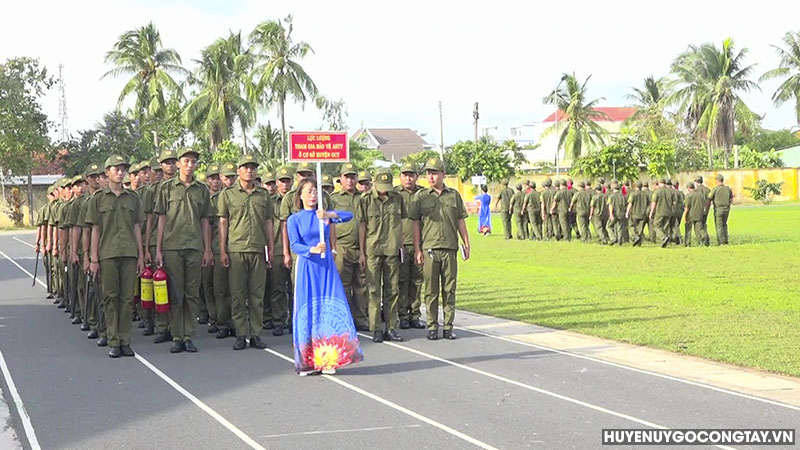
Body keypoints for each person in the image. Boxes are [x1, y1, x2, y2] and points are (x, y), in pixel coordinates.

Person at [288, 178, 364, 375]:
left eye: (316, 191)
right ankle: (306, 361)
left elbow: (349, 216)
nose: (313, 195)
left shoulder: (324, 216)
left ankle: (328, 359)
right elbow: (295, 244)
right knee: (308, 309)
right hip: (307, 266)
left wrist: (329, 214)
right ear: (301, 195)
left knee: (327, 308)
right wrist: (312, 249)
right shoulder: (294, 219)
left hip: (326, 267)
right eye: (309, 191)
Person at [155, 147, 213, 354]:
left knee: (192, 293)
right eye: (186, 161)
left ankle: (188, 335)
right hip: (172, 246)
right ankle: (176, 335)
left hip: (195, 246)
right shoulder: (167, 188)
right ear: (178, 163)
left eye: (193, 162)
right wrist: (158, 249)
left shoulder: (202, 190)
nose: (190, 165)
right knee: (175, 292)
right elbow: (161, 219)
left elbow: (206, 221)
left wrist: (207, 250)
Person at [86, 155, 145, 358]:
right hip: (107, 254)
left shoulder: (133, 198)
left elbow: (137, 227)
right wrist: (93, 258)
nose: (120, 173)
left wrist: (141, 255)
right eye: (116, 169)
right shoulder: (98, 199)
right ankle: (113, 340)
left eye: (123, 169)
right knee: (110, 298)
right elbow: (95, 229)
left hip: (129, 253)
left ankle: (125, 340)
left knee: (127, 299)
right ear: (107, 172)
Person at [410, 157, 470, 341]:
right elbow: (415, 224)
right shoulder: (420, 196)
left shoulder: (453, 195)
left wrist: (466, 243)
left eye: (434, 172)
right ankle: (432, 326)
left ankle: (449, 326)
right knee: (431, 290)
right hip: (429, 248)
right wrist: (417, 249)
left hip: (449, 248)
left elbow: (460, 220)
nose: (431, 176)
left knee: (449, 289)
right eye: (428, 173)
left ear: (443, 174)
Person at [218, 154, 274, 351]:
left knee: (257, 294)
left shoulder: (263, 195)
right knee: (238, 294)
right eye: (246, 167)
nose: (250, 170)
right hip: (236, 249)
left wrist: (271, 248)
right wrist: (222, 249)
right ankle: (241, 334)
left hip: (258, 249)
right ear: (238, 171)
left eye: (253, 167)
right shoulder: (227, 195)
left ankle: (256, 334)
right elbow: (223, 222)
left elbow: (269, 222)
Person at [358, 169, 406, 343]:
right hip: (373, 250)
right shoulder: (365, 200)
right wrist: (362, 252)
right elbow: (362, 226)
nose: (383, 190)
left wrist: (401, 247)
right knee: (373, 290)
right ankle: (376, 328)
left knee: (392, 290)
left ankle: (392, 327)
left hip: (392, 250)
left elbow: (400, 225)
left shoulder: (397, 199)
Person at [330, 163, 369, 331]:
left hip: (360, 247)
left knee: (361, 285)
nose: (350, 180)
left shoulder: (364, 198)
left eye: (353, 177)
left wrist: (363, 251)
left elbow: (364, 223)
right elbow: (328, 223)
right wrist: (334, 247)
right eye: (347, 177)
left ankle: (361, 319)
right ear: (341, 179)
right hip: (342, 246)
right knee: (343, 285)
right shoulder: (333, 198)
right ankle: (344, 319)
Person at [144, 149, 177, 344]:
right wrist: (148, 246)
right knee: (160, 286)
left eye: (173, 162)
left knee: (176, 287)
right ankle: (161, 326)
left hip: (177, 241)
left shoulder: (180, 187)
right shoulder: (152, 191)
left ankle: (176, 328)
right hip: (158, 241)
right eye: (166, 163)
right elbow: (148, 220)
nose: (170, 166)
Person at [395, 162, 425, 330]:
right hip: (401, 243)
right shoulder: (394, 194)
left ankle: (415, 314)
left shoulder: (423, 193)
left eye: (411, 175)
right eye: (405, 175)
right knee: (402, 281)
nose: (408, 178)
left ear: (416, 177)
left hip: (419, 244)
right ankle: (402, 315)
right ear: (400, 177)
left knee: (417, 281)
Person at [201, 164, 223, 335]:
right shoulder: (202, 197)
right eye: (212, 178)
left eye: (218, 178)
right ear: (207, 180)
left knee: (220, 286)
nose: (216, 181)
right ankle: (211, 315)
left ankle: (220, 318)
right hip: (202, 245)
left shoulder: (225, 197)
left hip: (219, 246)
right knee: (207, 284)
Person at [708, 174, 733, 245]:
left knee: (719, 226)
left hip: (718, 209)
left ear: (716, 180)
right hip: (727, 209)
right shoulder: (728, 189)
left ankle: (721, 241)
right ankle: (726, 240)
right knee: (724, 224)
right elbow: (731, 199)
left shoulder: (715, 189)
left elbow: (709, 198)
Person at [649, 179, 674, 248]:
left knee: (656, 225)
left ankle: (663, 237)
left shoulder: (657, 192)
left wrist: (651, 212)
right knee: (665, 227)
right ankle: (665, 241)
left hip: (659, 212)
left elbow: (654, 202)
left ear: (660, 183)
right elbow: (674, 203)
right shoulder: (671, 192)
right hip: (668, 212)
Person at [683, 182, 709, 247]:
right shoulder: (700, 195)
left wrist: (684, 216)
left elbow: (686, 207)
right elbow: (704, 204)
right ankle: (703, 237)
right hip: (699, 214)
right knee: (699, 229)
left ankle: (687, 243)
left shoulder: (688, 195)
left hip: (690, 215)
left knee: (688, 230)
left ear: (689, 188)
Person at [626, 181, 649, 246]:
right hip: (643, 214)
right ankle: (639, 242)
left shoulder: (633, 194)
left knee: (631, 227)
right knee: (640, 229)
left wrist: (627, 212)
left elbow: (630, 203)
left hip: (634, 214)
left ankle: (635, 237)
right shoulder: (645, 194)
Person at [694, 176, 711, 246]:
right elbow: (709, 200)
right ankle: (706, 239)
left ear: (696, 182)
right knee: (704, 224)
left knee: (697, 226)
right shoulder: (708, 190)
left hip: (698, 210)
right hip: (706, 209)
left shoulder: (696, 190)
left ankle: (701, 239)